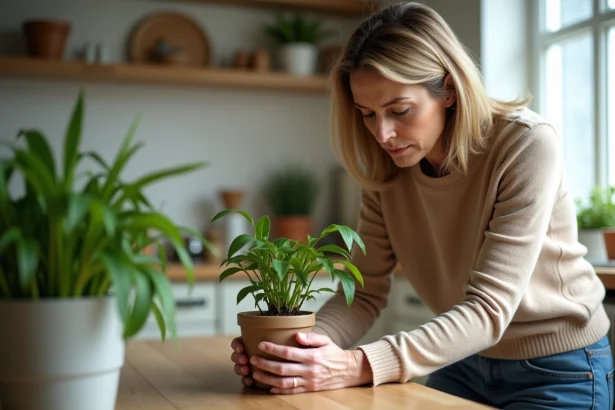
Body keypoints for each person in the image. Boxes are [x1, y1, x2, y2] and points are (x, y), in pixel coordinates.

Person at [230, 2, 614, 408]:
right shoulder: (386, 169)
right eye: (367, 114)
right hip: (465, 360)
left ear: (448, 89)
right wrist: (296, 355)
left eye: (400, 111)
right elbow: (363, 293)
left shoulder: (525, 144)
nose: (382, 133)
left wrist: (354, 364)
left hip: (558, 366)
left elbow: (489, 309)